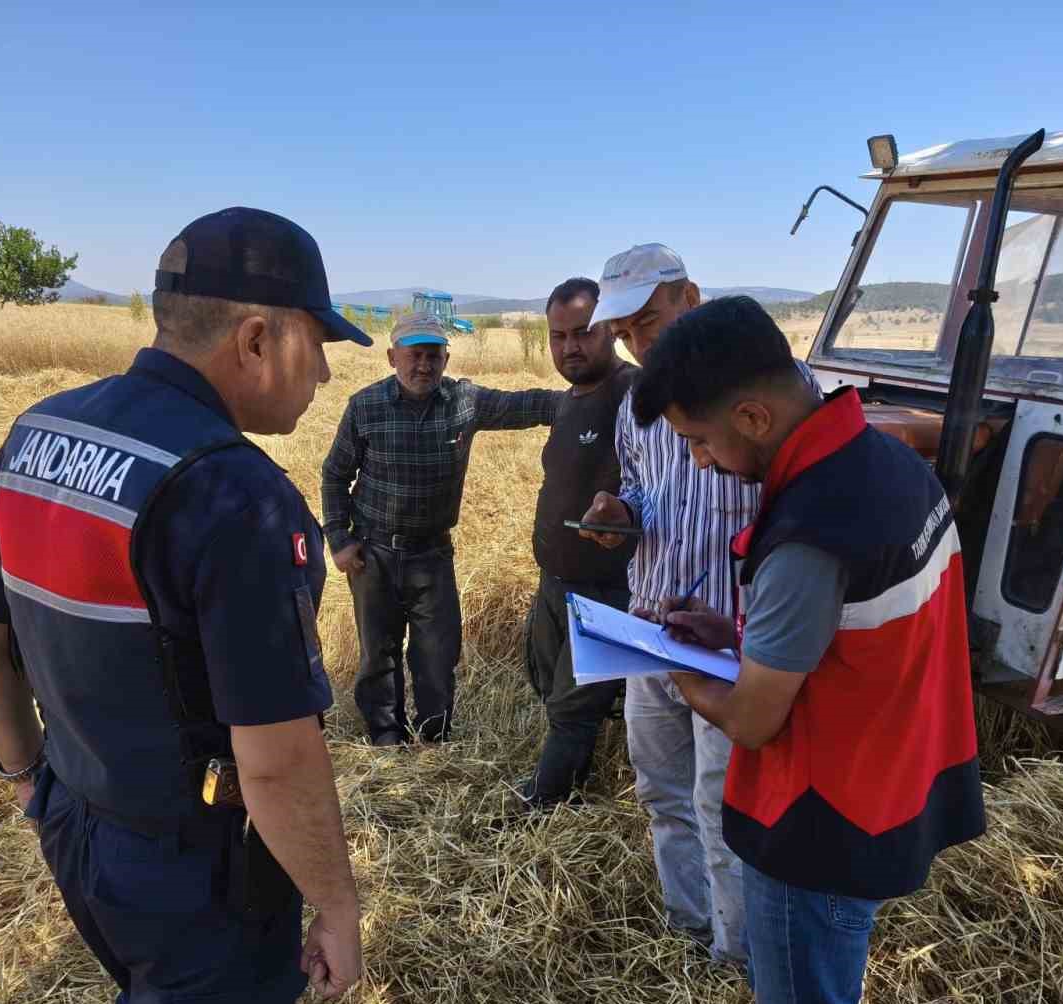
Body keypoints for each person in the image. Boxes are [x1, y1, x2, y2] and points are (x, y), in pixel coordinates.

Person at [0, 207, 367, 1004]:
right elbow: (274, 759)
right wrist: (338, 905)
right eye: (317, 343)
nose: (323, 373)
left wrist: (29, 780)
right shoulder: (234, 496)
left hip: (78, 825)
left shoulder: (41, 434)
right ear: (256, 338)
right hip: (197, 866)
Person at [634, 296, 985, 1004]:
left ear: (754, 416)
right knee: (805, 994)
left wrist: (678, 670)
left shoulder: (809, 526)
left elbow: (754, 719)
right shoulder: (887, 466)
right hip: (890, 778)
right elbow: (845, 628)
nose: (701, 462)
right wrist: (738, 633)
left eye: (701, 442)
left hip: (819, 815)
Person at [578, 243, 819, 964]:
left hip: (732, 643)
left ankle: (734, 957)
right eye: (624, 333)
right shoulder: (639, 405)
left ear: (691, 298)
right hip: (650, 631)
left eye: (648, 323)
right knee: (662, 795)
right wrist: (623, 514)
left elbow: (800, 507)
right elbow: (646, 487)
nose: (639, 344)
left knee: (723, 810)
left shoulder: (774, 393)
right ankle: (688, 932)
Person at [321, 311, 564, 746]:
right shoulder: (365, 406)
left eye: (433, 356)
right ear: (392, 357)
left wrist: (588, 400)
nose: (424, 365)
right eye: (414, 355)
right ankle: (386, 739)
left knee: (437, 654)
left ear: (446, 360)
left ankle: (434, 738)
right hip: (373, 555)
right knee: (378, 654)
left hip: (432, 556)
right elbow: (335, 475)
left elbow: (528, 405)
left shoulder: (463, 401)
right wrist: (339, 539)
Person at [518, 277, 637, 808]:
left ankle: (544, 807)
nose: (570, 346)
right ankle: (576, 781)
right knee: (550, 687)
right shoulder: (568, 401)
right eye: (558, 335)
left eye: (584, 332)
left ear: (610, 328)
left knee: (573, 707)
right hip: (555, 581)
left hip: (609, 589)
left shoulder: (635, 395)